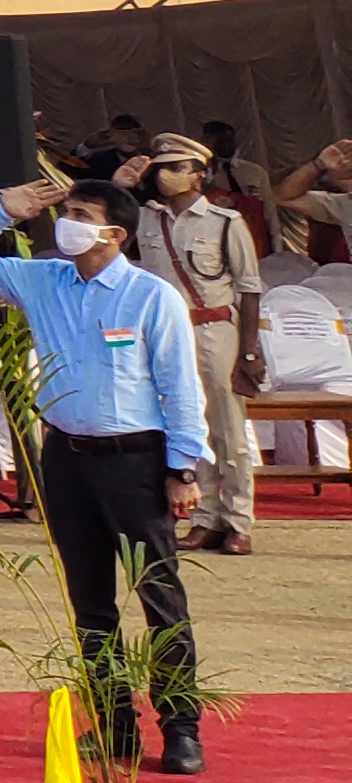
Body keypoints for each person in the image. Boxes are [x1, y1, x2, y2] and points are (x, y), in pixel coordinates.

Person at [0, 173, 210, 781]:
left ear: (114, 233)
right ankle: (115, 721)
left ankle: (181, 726)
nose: (64, 219)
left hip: (137, 459)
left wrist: (183, 467)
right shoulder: (43, 280)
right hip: (66, 456)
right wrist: (0, 211)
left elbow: (181, 387)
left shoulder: (151, 296)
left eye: (79, 212)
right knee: (89, 601)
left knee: (159, 595)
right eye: (63, 210)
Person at [128, 135, 262, 557]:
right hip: (168, 332)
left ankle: (238, 520)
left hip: (214, 329)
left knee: (228, 429)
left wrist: (249, 352)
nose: (165, 175)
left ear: (199, 175)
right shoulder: (148, 219)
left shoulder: (225, 222)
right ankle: (204, 516)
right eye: (161, 167)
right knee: (186, 425)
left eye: (177, 167)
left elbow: (249, 289)